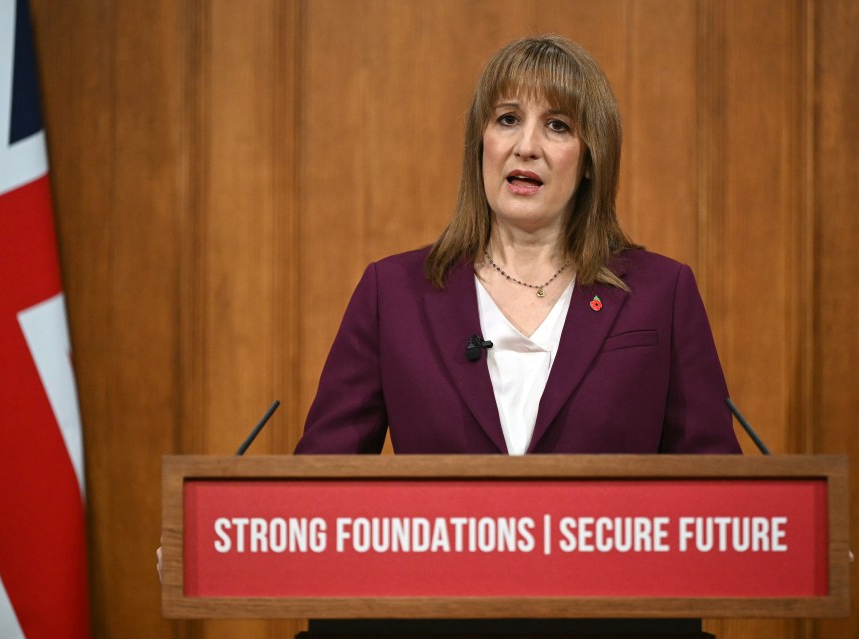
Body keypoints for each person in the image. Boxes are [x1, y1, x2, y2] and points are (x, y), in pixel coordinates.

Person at [295, 34, 741, 456]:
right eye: (508, 119)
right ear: (481, 143)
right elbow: (320, 480)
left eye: (557, 126)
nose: (526, 147)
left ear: (591, 158)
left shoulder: (661, 294)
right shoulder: (392, 293)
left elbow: (716, 486)